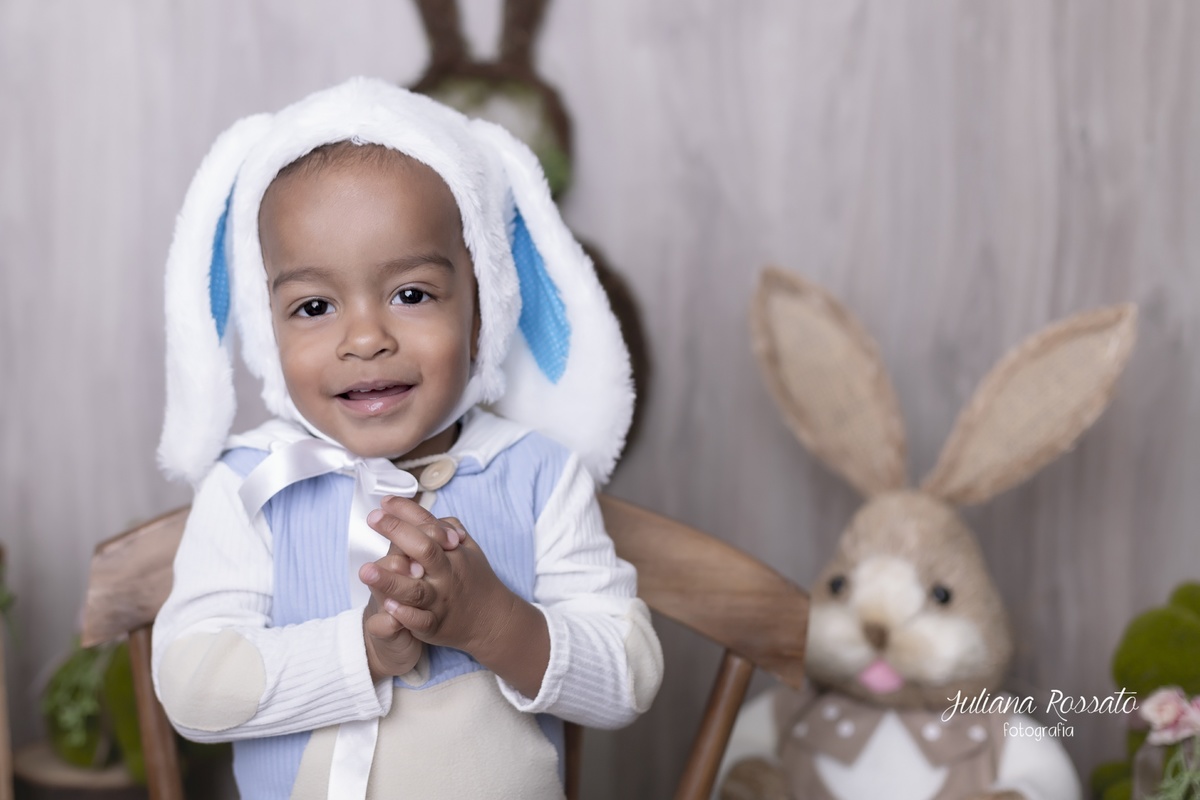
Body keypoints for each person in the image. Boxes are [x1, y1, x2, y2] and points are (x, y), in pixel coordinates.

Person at [150, 77, 663, 800]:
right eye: (314, 306)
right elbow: (191, 687)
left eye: (411, 294)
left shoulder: (538, 475)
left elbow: (629, 675)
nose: (365, 338)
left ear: (484, 311)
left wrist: (494, 625)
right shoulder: (252, 484)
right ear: (268, 331)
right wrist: (359, 652)